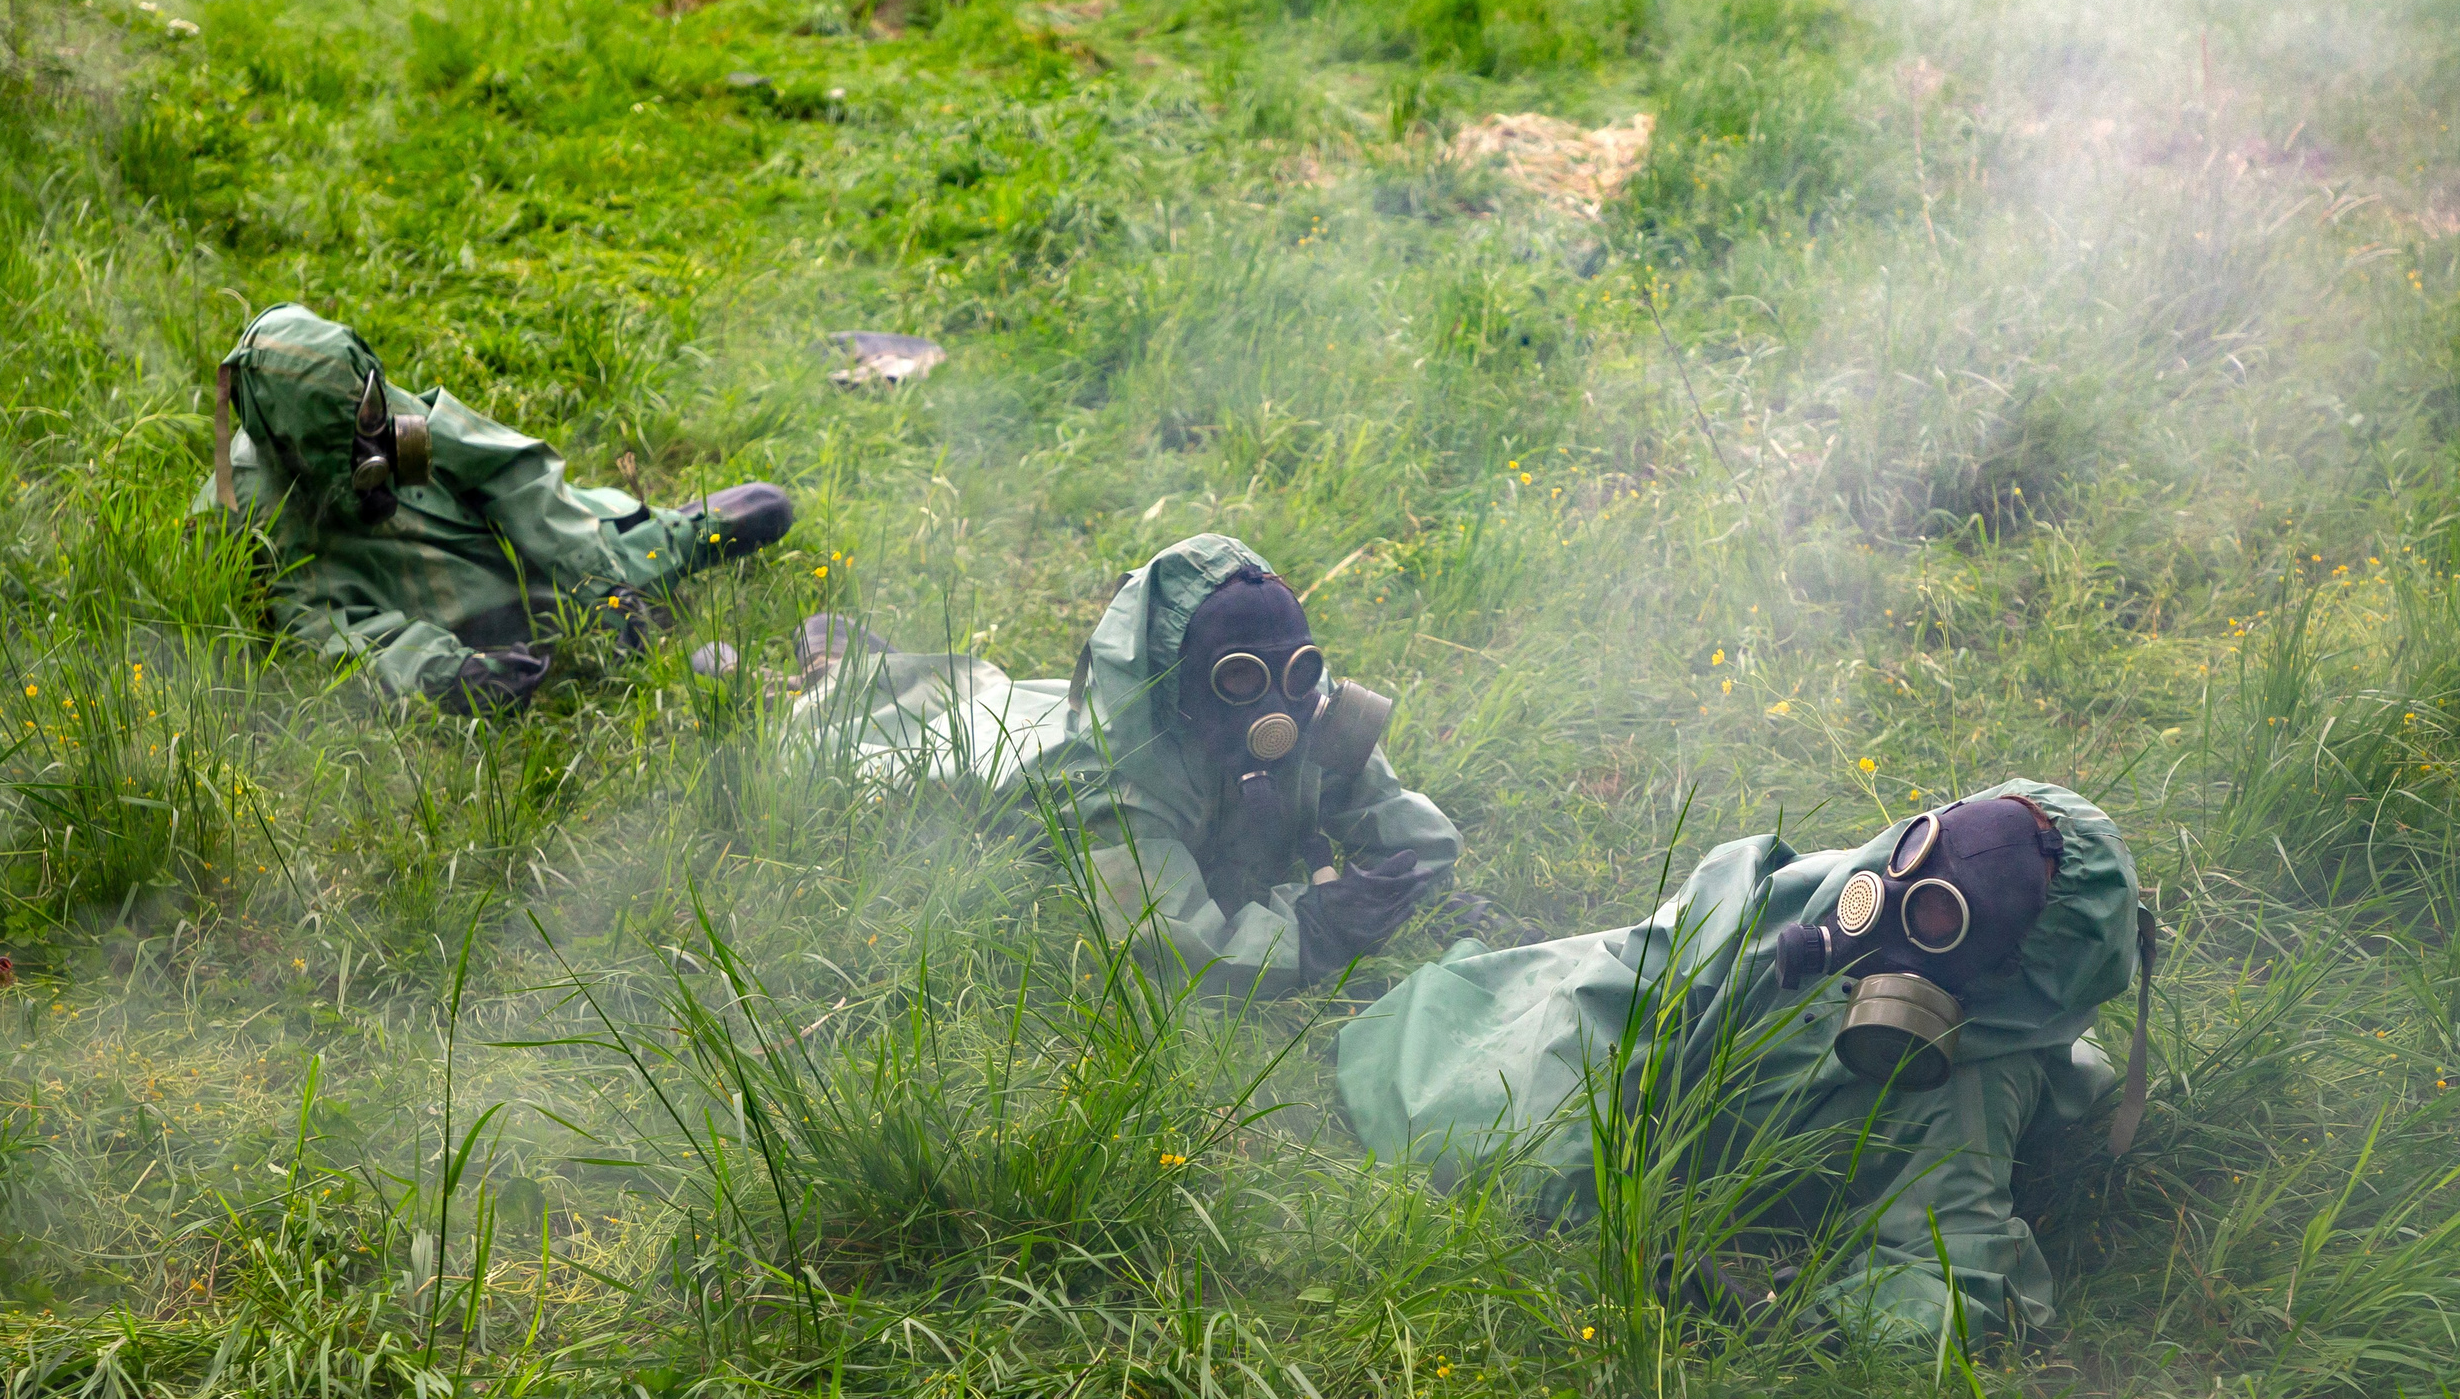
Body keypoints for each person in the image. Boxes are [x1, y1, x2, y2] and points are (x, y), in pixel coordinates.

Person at [1333, 781, 2145, 1342]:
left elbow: (1954, 1276)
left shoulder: (1963, 1080)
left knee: (1479, 1138)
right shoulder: (1814, 892)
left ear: (2006, 970)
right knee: (1477, 1107)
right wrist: (1580, 1175)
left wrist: (1790, 1318)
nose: (1880, 916)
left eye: (1935, 921)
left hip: (1731, 1130)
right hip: (1613, 1038)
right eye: (1906, 871)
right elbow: (1629, 983)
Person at [788, 533, 1461, 997]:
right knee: (881, 735)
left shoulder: (1304, 708)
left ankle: (860, 664)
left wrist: (1418, 883)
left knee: (995, 694)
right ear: (1179, 686)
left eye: (1299, 668)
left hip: (1048, 716)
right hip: (1005, 767)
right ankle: (827, 675)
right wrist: (1311, 928)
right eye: (1238, 680)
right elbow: (1179, 945)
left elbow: (1412, 834)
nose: (1278, 706)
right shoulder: (1118, 791)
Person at [196, 303, 795, 712]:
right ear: (304, 446)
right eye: (355, 440)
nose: (377, 437)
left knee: (632, 551)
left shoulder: (364, 401)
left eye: (373, 416)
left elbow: (511, 473)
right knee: (539, 636)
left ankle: (654, 537)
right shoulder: (248, 509)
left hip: (497, 548)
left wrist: (596, 578)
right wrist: (448, 674)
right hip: (436, 611)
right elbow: (322, 635)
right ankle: (635, 562)